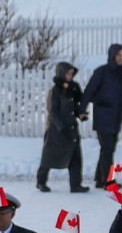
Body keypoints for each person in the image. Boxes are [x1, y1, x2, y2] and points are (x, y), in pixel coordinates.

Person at [85, 44, 122, 188]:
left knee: (108, 148)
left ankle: (100, 178)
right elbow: (89, 91)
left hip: (117, 116)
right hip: (103, 114)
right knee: (107, 148)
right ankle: (108, 181)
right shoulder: (102, 72)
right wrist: (82, 110)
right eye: (118, 55)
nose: (121, 58)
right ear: (112, 56)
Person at [37, 60, 90, 194]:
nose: (70, 75)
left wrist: (81, 115)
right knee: (48, 157)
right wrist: (62, 127)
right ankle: (41, 182)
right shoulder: (55, 91)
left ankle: (76, 185)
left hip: (71, 128)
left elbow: (76, 106)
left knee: (75, 156)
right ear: (61, 73)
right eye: (68, 73)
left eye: (72, 73)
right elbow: (53, 111)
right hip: (56, 130)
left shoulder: (74, 88)